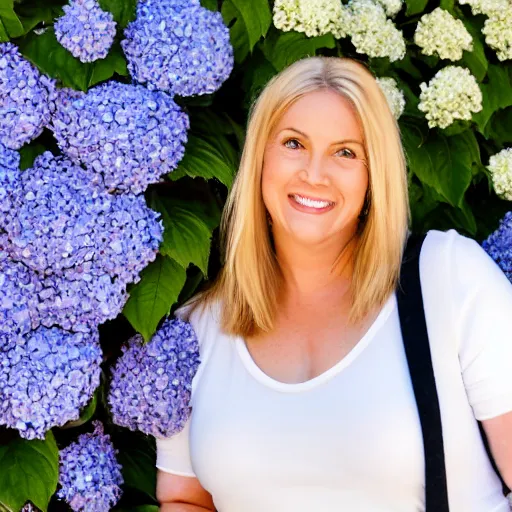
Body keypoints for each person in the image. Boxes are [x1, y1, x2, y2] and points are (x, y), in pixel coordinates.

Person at [154, 56, 512, 511]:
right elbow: (187, 500)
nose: (314, 173)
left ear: (372, 175)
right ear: (260, 157)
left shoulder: (446, 278)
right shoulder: (199, 329)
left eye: (346, 152)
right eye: (293, 143)